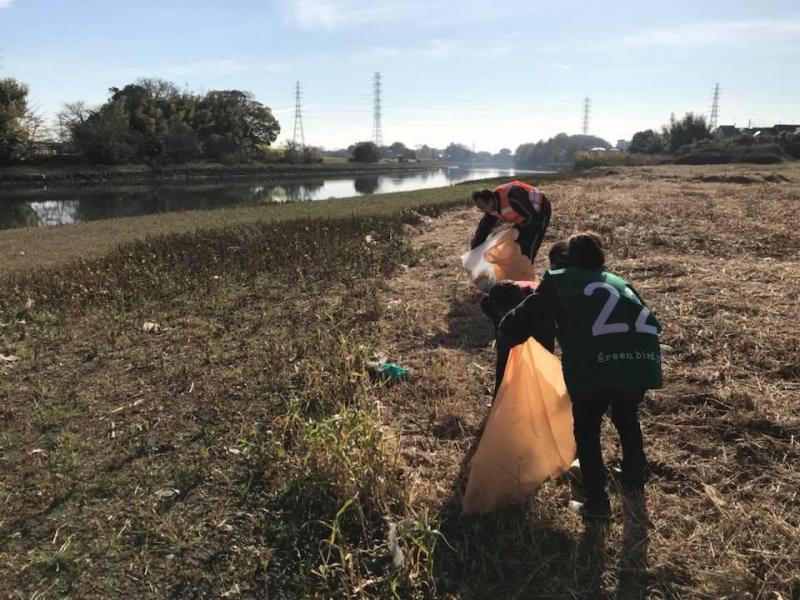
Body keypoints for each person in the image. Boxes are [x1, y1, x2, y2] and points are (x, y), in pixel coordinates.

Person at [498, 231, 663, 519]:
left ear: (566, 260)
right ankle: (635, 473)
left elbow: (522, 320)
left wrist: (507, 330)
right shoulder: (617, 281)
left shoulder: (560, 280)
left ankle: (597, 504)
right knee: (626, 413)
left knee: (587, 430)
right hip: (641, 360)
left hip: (597, 365)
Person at [481, 241, 569, 396]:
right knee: (507, 348)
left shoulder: (539, 304)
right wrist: (499, 398)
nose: (508, 317)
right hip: (509, 306)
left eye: (511, 313)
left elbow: (547, 349)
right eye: (504, 314)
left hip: (540, 314)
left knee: (542, 355)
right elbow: (503, 357)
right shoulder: (490, 305)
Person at [471, 180, 551, 263]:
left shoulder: (512, 197)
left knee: (528, 246)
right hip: (525, 217)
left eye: (482, 207)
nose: (483, 211)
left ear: (490, 201)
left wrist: (518, 234)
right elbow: (483, 229)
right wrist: (474, 250)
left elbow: (532, 218)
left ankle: (525, 272)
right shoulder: (491, 207)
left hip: (540, 211)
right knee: (514, 246)